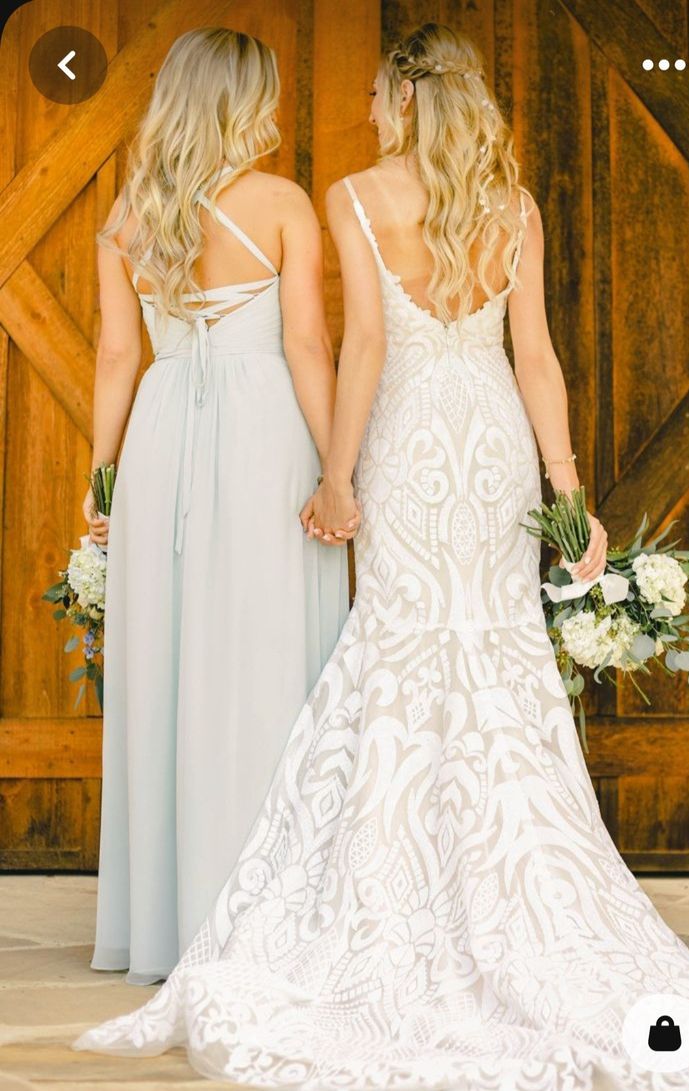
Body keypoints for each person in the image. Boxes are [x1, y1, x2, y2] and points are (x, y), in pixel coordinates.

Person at [73, 22, 689, 1086]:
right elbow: (537, 357)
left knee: (391, 654)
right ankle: (511, 889)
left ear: (409, 101)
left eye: (382, 96)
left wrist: (338, 477)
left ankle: (394, 891)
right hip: (493, 448)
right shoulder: (508, 203)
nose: (371, 111)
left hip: (408, 441)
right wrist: (568, 492)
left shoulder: (348, 196)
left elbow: (362, 345)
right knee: (498, 659)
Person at [84, 27, 351, 987]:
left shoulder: (130, 212)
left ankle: (172, 919)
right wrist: (339, 470)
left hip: (161, 437)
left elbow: (118, 358)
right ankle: (265, 911)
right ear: (249, 100)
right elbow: (309, 347)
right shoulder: (280, 204)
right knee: (270, 652)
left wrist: (103, 471)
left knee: (169, 656)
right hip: (263, 434)